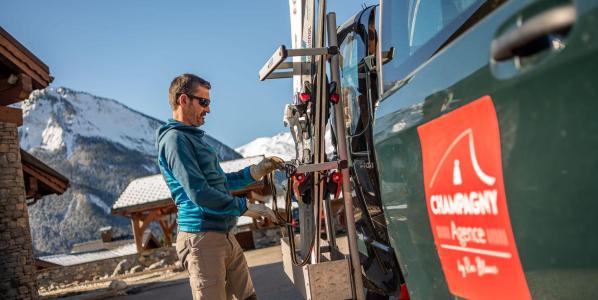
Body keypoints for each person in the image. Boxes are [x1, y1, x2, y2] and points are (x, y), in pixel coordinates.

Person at [156, 73, 283, 300]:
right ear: (183, 100)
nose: (208, 109)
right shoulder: (175, 140)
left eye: (209, 102)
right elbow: (199, 192)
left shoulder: (192, 139)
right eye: (203, 102)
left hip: (222, 234)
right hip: (201, 238)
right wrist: (245, 207)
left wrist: (255, 171)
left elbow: (219, 182)